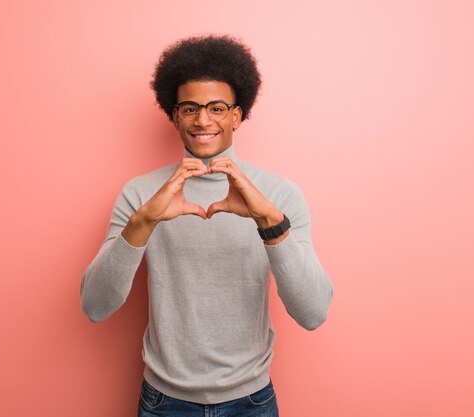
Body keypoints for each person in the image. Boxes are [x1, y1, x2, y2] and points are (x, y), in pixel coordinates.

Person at [80, 34, 334, 417]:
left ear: (237, 114)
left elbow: (313, 313)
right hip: (164, 401)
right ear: (173, 114)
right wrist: (144, 221)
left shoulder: (278, 195)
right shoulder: (141, 194)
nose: (202, 120)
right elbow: (95, 307)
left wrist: (269, 222)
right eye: (189, 108)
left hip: (252, 401)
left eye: (217, 108)